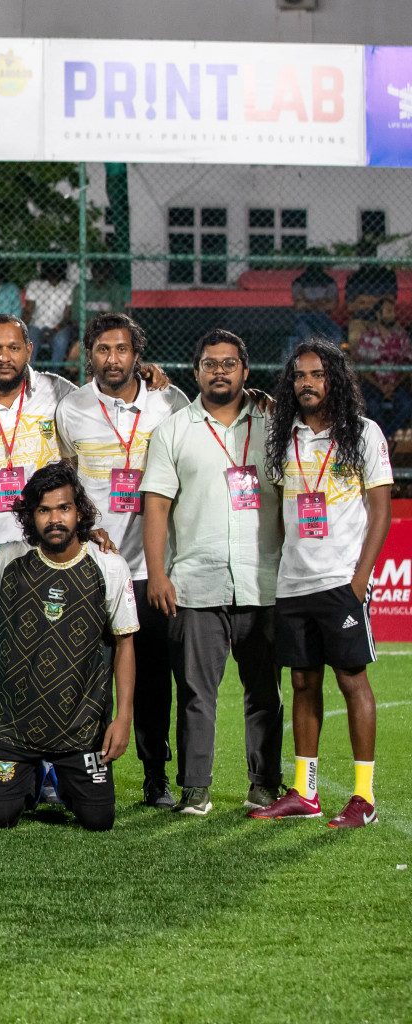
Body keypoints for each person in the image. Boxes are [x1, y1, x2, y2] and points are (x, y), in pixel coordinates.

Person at [142, 329, 285, 816]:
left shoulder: (274, 426)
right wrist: (158, 573)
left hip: (263, 581)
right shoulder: (174, 430)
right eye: (210, 363)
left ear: (246, 370)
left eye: (229, 363)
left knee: (265, 693)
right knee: (196, 694)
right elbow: (156, 507)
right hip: (197, 583)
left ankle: (265, 784)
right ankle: (195, 788)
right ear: (196, 370)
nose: (219, 371)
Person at [250, 340, 391, 828]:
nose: (307, 383)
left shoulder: (364, 434)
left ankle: (363, 796)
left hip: (340, 582)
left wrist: (360, 579)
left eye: (317, 374)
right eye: (299, 376)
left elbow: (382, 511)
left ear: (335, 379)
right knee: (304, 682)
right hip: (294, 583)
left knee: (352, 681)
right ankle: (305, 793)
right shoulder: (280, 436)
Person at [54, 313, 190, 808]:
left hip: (154, 568)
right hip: (92, 566)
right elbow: (65, 477)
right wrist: (85, 527)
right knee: (87, 677)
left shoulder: (169, 402)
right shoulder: (72, 409)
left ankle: (157, 774)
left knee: (155, 680)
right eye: (103, 349)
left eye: (123, 350)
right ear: (89, 353)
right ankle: (87, 771)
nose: (113, 359)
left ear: (139, 355)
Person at [0, 462, 139, 831]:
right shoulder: (8, 560)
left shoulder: (109, 565)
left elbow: (125, 642)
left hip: (82, 730)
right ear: (30, 516)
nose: (54, 519)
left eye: (63, 508)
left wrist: (123, 718)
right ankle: (29, 781)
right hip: (14, 729)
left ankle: (59, 776)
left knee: (99, 820)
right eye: (43, 510)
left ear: (79, 511)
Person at [0, 314, 77, 784]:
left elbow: (106, 401)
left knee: (47, 665)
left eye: (13, 347)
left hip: (44, 556)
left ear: (29, 349)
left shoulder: (58, 393)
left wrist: (151, 375)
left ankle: (47, 770)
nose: (4, 357)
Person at [350, 298, 412, 438]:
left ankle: (385, 436)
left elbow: (407, 365)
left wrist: (393, 385)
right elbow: (361, 367)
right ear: (378, 314)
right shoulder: (367, 338)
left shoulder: (401, 337)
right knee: (372, 406)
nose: (393, 315)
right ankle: (385, 437)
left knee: (407, 404)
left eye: (393, 311)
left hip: (396, 384)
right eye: (388, 311)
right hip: (373, 383)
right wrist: (380, 386)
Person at [24, 260, 75, 369]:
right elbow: (28, 311)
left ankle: (54, 376)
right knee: (30, 341)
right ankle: (29, 377)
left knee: (61, 340)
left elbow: (67, 315)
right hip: (36, 325)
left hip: (58, 327)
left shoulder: (69, 287)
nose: (53, 271)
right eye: (50, 267)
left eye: (57, 267)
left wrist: (56, 329)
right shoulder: (35, 285)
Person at [287, 265, 343, 347]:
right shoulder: (299, 281)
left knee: (335, 332)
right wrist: (322, 302)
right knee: (306, 334)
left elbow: (333, 305)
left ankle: (332, 356)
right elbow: (299, 305)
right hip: (304, 316)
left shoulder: (329, 281)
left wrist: (308, 302)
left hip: (324, 317)